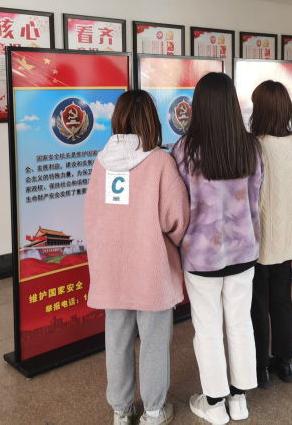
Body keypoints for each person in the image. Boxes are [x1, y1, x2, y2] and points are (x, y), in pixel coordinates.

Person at [84, 90, 190, 425]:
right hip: (151, 268)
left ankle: (121, 409)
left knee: (116, 341)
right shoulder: (160, 162)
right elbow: (176, 218)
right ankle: (154, 411)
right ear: (152, 121)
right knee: (155, 342)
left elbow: (91, 218)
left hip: (111, 270)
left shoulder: (100, 163)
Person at [172, 72, 263, 425]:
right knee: (240, 323)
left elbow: (179, 206)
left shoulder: (184, 150)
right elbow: (256, 196)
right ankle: (239, 401)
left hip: (201, 256)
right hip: (244, 251)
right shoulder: (251, 147)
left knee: (208, 328)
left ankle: (213, 405)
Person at [248, 80, 292, 389]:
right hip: (288, 240)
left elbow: (250, 197)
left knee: (258, 304)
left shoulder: (254, 146)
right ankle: (285, 363)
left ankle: (260, 367)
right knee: (282, 300)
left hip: (258, 243)